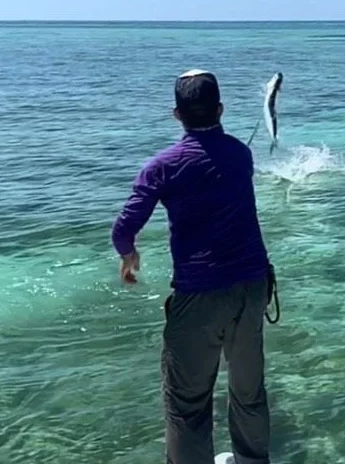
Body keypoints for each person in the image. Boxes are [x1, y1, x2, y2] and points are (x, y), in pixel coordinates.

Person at [111, 69, 273, 464]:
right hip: (252, 286)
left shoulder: (162, 165)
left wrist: (129, 255)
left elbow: (124, 227)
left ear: (175, 114)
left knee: (187, 402)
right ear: (221, 109)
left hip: (200, 293)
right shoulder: (241, 153)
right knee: (248, 390)